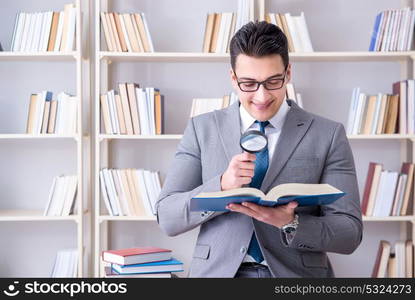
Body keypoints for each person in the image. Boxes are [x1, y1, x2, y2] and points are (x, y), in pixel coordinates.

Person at [155, 21, 362, 278]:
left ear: (288, 73)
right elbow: (168, 217)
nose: (262, 97)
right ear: (233, 78)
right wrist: (220, 185)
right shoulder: (202, 129)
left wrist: (290, 223)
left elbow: (349, 233)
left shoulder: (327, 134)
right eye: (249, 84)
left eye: (273, 81)